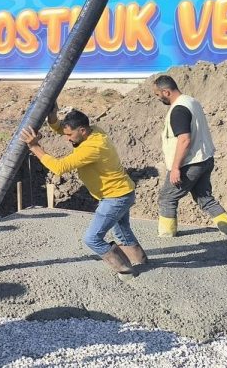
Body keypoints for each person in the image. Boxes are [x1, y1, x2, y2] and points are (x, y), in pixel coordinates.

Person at [20, 105, 147, 280]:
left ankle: (126, 271)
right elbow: (62, 129)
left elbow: (59, 167)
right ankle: (141, 261)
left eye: (70, 135)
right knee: (122, 230)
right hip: (123, 192)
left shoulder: (93, 147)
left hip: (115, 198)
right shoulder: (93, 131)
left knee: (92, 238)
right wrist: (53, 117)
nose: (67, 139)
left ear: (82, 131)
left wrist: (35, 147)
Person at [151, 75, 227, 239]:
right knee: (204, 198)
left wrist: (176, 167)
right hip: (205, 159)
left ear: (166, 92)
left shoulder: (178, 109)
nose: (157, 98)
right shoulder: (191, 101)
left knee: (167, 198)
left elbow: (184, 140)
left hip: (189, 163)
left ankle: (166, 238)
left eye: (158, 94)